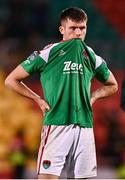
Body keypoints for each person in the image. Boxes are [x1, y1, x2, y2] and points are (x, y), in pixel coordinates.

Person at [5, 7, 118, 179]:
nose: (78, 33)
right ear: (62, 29)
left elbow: (112, 85)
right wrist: (38, 99)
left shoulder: (92, 56)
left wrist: (93, 97)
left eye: (82, 28)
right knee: (47, 177)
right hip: (57, 124)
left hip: (84, 127)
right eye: (73, 28)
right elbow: (11, 80)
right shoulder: (48, 53)